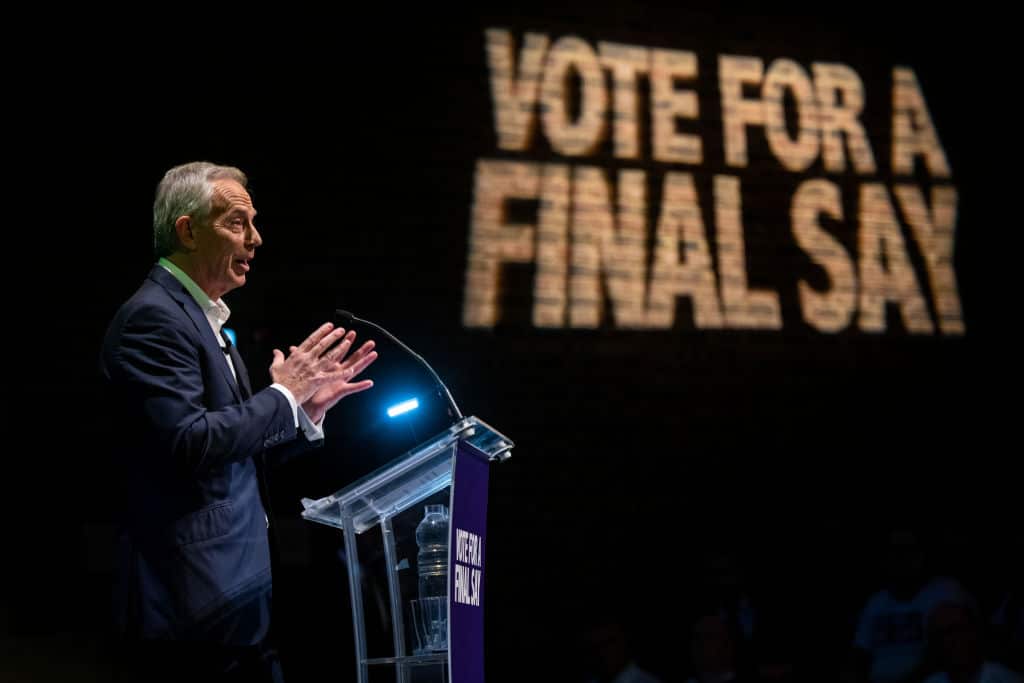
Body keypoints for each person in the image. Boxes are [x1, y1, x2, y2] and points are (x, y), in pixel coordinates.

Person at [100, 161, 378, 682]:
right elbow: (190, 442)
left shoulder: (207, 321)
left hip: (233, 599)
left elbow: (232, 451)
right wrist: (282, 394)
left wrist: (303, 412)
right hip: (189, 606)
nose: (256, 238)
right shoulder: (153, 319)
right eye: (237, 223)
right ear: (187, 230)